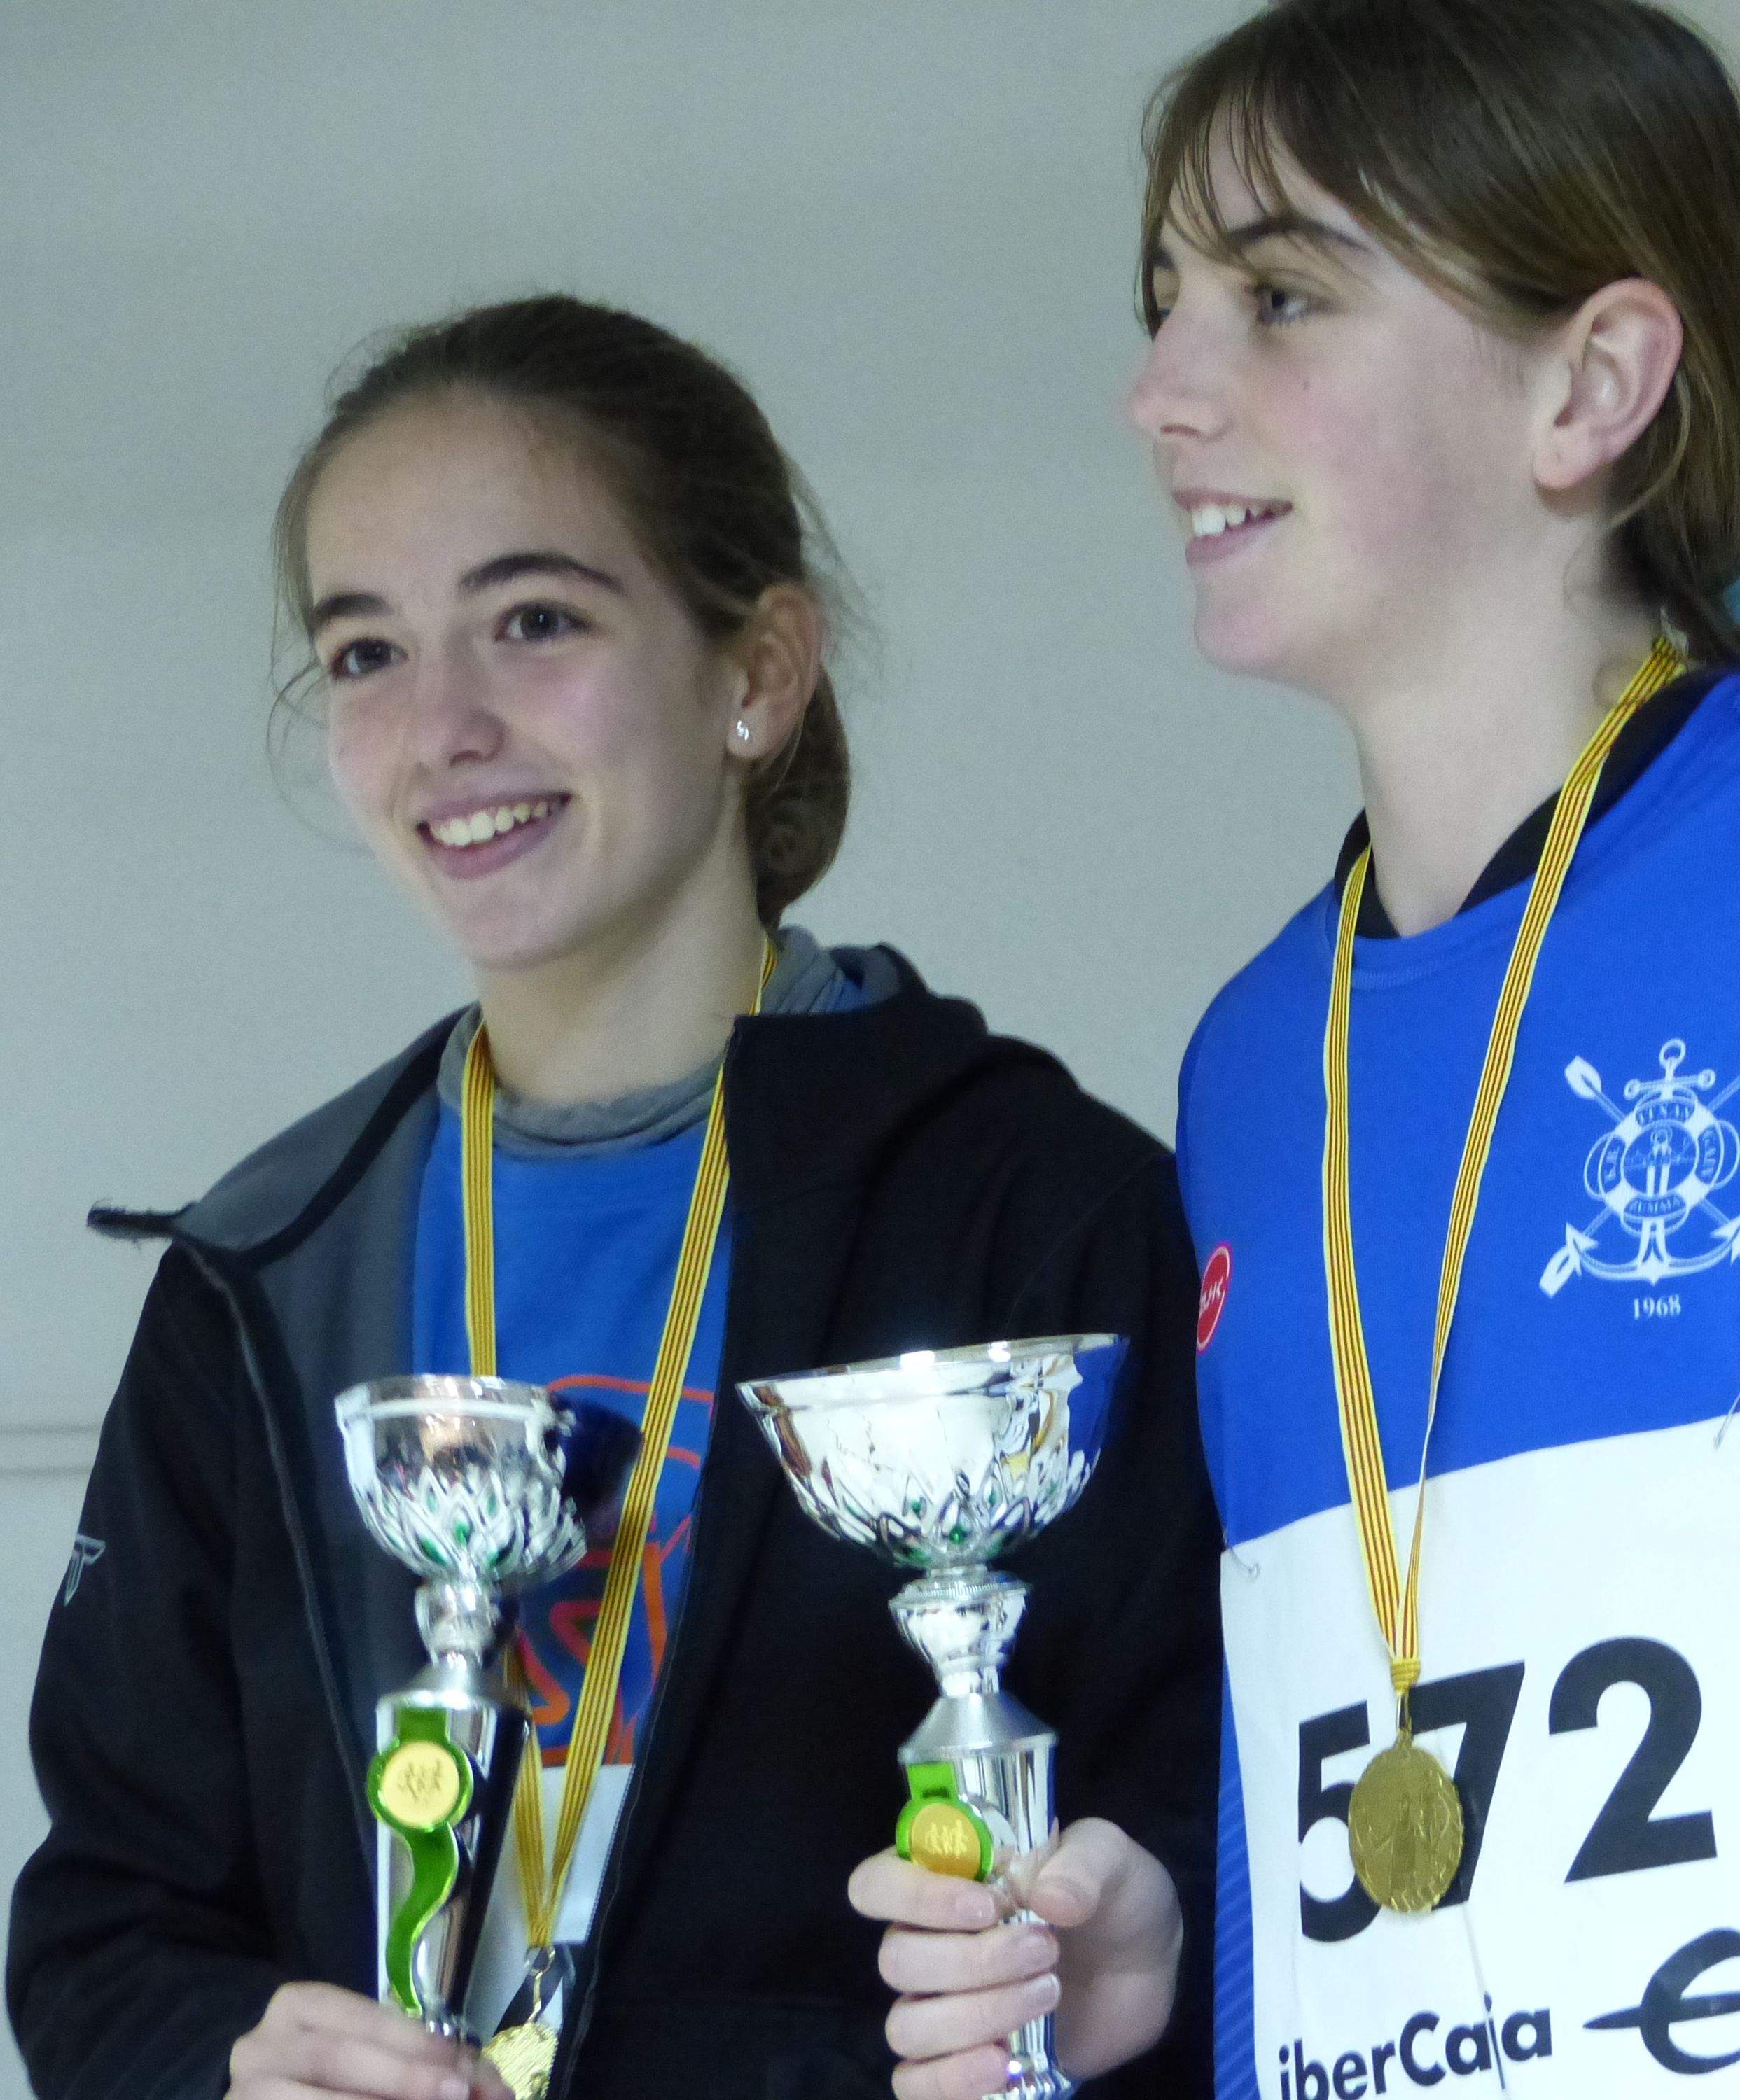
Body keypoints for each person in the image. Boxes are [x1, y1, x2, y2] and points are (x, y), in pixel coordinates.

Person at [856, 5, 1740, 2096]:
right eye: (1164, 305)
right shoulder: (1258, 1063)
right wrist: (1175, 1957)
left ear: (1592, 385)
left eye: (1279, 297)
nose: (1162, 393)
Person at [9, 296, 1220, 2100]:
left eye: (535, 622)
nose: (445, 729)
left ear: (759, 671)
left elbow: (1212, 1859)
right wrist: (229, 2060)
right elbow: (108, 1925)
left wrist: (1147, 1963)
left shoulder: (1033, 1213)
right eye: (365, 655)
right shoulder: (269, 1275)